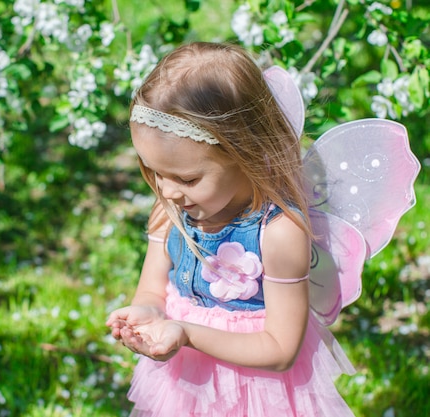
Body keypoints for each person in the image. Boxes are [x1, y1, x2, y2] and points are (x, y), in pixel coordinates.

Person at [106, 42, 356, 416]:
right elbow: (152, 289)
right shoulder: (170, 210)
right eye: (155, 172)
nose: (168, 190)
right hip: (185, 383)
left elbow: (281, 349)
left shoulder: (278, 232)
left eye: (187, 178)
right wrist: (148, 313)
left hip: (261, 392)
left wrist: (187, 333)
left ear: (244, 153)